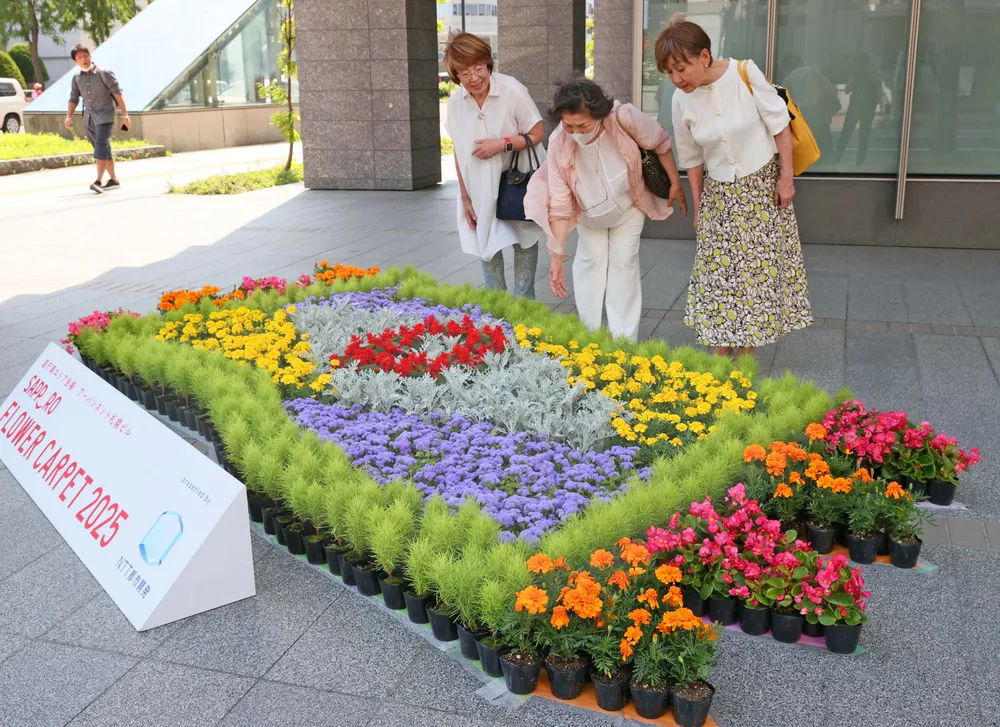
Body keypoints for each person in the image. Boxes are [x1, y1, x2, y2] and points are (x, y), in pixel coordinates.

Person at [655, 20, 812, 358]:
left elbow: (780, 125)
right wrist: (699, 204)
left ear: (705, 56)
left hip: (761, 188)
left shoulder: (745, 73)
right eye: (669, 72)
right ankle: (721, 349)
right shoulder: (681, 101)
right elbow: (692, 157)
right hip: (719, 193)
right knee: (719, 274)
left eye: (680, 68)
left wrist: (786, 178)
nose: (676, 79)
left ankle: (747, 352)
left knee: (754, 273)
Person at [525, 76, 687, 342]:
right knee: (590, 265)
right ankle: (590, 337)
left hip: (629, 206)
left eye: (583, 125)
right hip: (590, 213)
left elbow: (661, 142)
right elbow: (561, 204)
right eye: (569, 126)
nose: (576, 133)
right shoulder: (558, 144)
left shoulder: (625, 118)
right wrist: (556, 256)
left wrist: (675, 185)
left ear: (599, 114)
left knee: (624, 266)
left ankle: (624, 340)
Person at [443, 33, 545, 298]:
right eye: (464, 72)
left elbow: (536, 134)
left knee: (524, 240)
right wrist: (464, 197)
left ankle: (524, 311)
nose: (474, 77)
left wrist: (501, 144)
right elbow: (458, 150)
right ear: (455, 74)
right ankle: (497, 312)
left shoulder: (511, 90)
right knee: (486, 246)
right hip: (478, 187)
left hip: (517, 180)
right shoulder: (456, 102)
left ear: (488, 63)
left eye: (478, 68)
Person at [65, 45, 130, 194]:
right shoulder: (76, 79)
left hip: (105, 117)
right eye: (79, 58)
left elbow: (118, 94)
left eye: (85, 55)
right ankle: (113, 180)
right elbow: (73, 98)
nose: (83, 59)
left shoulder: (104, 74)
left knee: (101, 146)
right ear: (75, 62)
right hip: (89, 119)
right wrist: (68, 116)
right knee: (102, 149)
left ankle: (98, 181)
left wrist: (125, 115)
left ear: (90, 56)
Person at [780, 53, 840, 156]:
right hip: (817, 111)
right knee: (824, 145)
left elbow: (785, 101)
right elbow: (827, 89)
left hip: (801, 115)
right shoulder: (813, 71)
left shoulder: (788, 79)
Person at [836, 53, 881, 168]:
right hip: (856, 108)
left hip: (865, 110)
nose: (860, 66)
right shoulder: (857, 76)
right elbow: (847, 90)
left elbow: (878, 91)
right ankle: (838, 157)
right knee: (847, 134)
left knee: (862, 136)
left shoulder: (872, 77)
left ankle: (858, 162)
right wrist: (854, 78)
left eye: (861, 63)